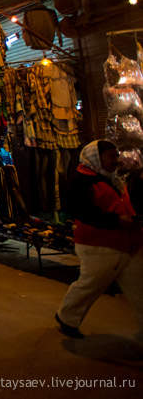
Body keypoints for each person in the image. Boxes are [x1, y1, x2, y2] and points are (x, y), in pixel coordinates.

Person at [55, 140, 143, 340]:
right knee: (89, 286)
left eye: (116, 155)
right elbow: (81, 212)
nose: (116, 160)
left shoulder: (112, 177)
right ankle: (67, 317)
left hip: (129, 242)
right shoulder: (81, 180)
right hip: (98, 245)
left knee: (139, 288)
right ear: (97, 157)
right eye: (111, 156)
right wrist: (115, 220)